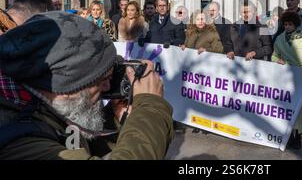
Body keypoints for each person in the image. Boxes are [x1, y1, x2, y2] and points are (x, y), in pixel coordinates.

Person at [0, 11, 174, 159]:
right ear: (65, 87)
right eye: (101, 80)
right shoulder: (18, 142)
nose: (107, 87)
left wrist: (115, 120)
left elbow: (74, 146)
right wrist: (151, 109)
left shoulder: (43, 108)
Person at [271, 11, 302, 149]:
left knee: (299, 109)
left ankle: (297, 135)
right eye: (285, 24)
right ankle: (289, 135)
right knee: (288, 107)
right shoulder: (280, 39)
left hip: (301, 76)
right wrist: (277, 60)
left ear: (295, 24)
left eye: (290, 24)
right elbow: (274, 56)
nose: (287, 27)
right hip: (286, 77)